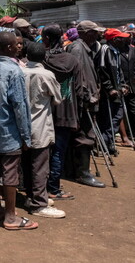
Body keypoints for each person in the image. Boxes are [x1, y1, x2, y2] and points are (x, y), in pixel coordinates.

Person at [0, 30, 36, 230]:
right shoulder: (14, 70)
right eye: (16, 45)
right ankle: (11, 217)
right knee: (10, 173)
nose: (19, 47)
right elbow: (19, 106)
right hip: (9, 130)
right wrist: (26, 136)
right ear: (10, 47)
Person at [21, 42, 65, 219]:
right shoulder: (47, 74)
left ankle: (32, 196)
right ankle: (39, 203)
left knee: (26, 164)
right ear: (44, 57)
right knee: (40, 166)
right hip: (40, 126)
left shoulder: (20, 72)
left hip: (22, 127)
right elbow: (57, 99)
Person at [40, 24, 79, 200]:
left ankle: (42, 185)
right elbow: (78, 86)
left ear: (46, 39)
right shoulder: (72, 60)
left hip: (45, 110)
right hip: (67, 109)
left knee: (42, 150)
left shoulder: (42, 60)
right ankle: (54, 188)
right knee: (58, 150)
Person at [66, 21, 105, 188]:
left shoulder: (87, 49)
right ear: (87, 33)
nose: (98, 35)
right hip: (84, 102)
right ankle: (83, 173)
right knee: (85, 137)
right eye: (95, 32)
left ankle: (76, 170)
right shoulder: (77, 49)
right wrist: (86, 97)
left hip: (87, 99)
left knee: (83, 136)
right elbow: (77, 77)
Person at [96, 29, 130, 153]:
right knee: (108, 118)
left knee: (117, 116)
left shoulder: (116, 51)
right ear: (115, 39)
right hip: (107, 92)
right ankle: (103, 143)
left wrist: (123, 85)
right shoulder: (105, 50)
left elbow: (118, 71)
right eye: (121, 38)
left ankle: (108, 142)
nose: (124, 40)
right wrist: (110, 88)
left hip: (117, 90)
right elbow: (102, 70)